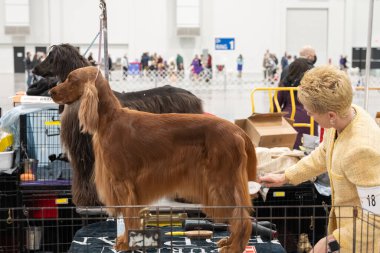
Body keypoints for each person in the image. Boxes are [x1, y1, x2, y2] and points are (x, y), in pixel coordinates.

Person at [259, 65, 380, 253]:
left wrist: (333, 241)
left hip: (364, 243)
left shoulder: (360, 150)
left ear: (331, 115)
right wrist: (286, 177)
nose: (307, 114)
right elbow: (324, 153)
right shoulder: (345, 115)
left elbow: (376, 218)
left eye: (310, 112)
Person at [275, 58, 318, 149]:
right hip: (310, 119)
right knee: (309, 152)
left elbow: (275, 105)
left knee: (289, 153)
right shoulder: (312, 86)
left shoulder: (284, 85)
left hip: (288, 121)